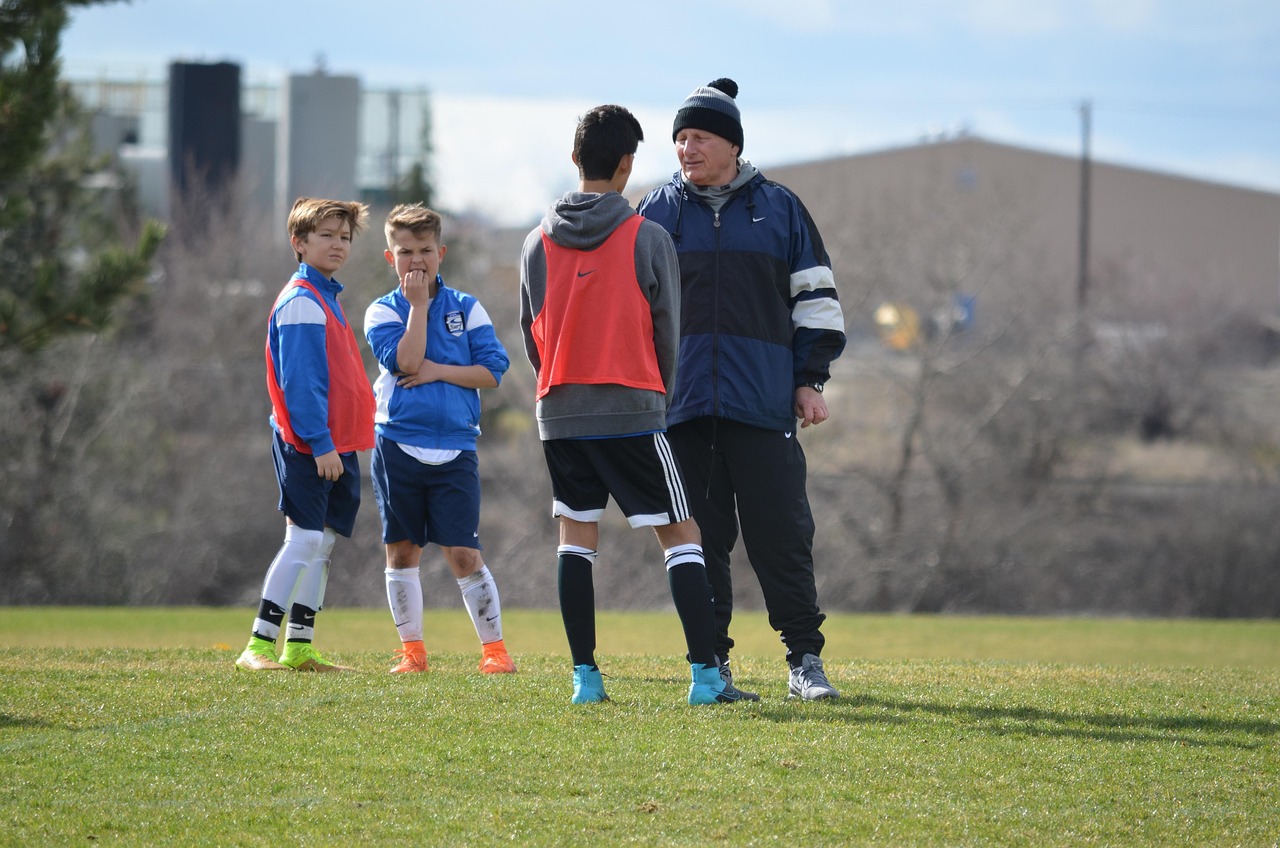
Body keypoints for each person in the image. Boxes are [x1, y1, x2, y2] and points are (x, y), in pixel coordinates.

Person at [519, 104, 740, 705]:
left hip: (558, 410)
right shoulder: (648, 236)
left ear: (574, 158)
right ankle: (705, 678)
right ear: (627, 164)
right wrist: (654, 394)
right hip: (633, 406)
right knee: (682, 534)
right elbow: (668, 330)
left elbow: (530, 329)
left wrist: (558, 387)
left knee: (575, 537)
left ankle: (585, 681)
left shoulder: (535, 241)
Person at [637, 78, 848, 701]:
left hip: (763, 405)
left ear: (731, 143)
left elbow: (818, 301)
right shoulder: (656, 212)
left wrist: (809, 378)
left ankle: (804, 662)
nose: (686, 148)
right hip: (682, 407)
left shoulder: (781, 208)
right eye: (679, 137)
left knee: (782, 533)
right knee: (700, 541)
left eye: (699, 136)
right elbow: (631, 311)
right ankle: (714, 664)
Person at [364, 203, 515, 675]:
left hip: (456, 446)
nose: (417, 260)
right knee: (403, 551)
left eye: (425, 250)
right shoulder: (381, 311)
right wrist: (419, 309)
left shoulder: (468, 308)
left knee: (464, 554)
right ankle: (412, 653)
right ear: (391, 259)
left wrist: (439, 372)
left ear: (441, 252)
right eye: (405, 251)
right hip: (397, 444)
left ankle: (495, 652)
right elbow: (405, 362)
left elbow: (493, 370)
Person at [236, 197, 376, 673]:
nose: (338, 244)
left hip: (337, 445)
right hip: (312, 445)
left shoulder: (326, 298)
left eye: (344, 237)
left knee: (323, 543)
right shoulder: (301, 302)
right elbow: (301, 383)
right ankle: (257, 646)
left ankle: (299, 647)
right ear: (299, 243)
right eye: (326, 235)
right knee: (302, 540)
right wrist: (320, 444)